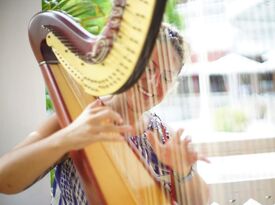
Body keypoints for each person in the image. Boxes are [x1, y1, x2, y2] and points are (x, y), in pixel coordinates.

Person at [0, 23, 209, 205]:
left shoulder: (164, 135)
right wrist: (68, 137)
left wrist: (184, 171)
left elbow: (201, 202)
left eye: (165, 77)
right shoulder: (78, 118)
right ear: (124, 64)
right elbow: (4, 178)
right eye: (148, 68)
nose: (153, 83)